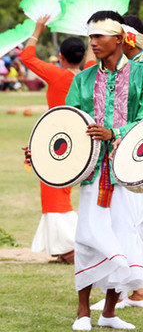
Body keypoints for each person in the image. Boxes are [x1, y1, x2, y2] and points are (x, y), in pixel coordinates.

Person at [65, 10, 143, 331]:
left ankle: (109, 312)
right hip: (93, 171)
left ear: (119, 39)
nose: (92, 43)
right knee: (86, 236)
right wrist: (46, 151)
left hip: (129, 170)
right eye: (90, 37)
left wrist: (115, 133)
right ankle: (82, 312)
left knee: (123, 235)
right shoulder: (82, 79)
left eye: (99, 36)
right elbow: (67, 121)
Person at [20, 15, 83, 264]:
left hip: (56, 142)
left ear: (61, 57)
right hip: (79, 142)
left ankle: (71, 247)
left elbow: (27, 58)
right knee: (61, 192)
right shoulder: (87, 74)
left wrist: (37, 29)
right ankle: (66, 248)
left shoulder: (58, 75)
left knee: (53, 195)